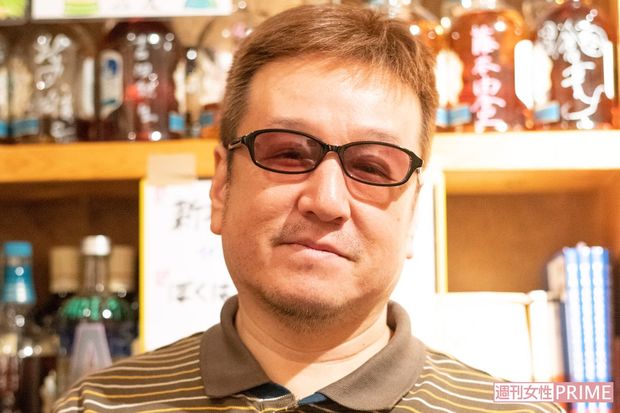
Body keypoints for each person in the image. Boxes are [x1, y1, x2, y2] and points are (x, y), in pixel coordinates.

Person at [54, 4, 563, 413]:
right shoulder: (97, 404)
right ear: (222, 187)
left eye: (372, 166)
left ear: (412, 213)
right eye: (288, 154)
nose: (326, 201)